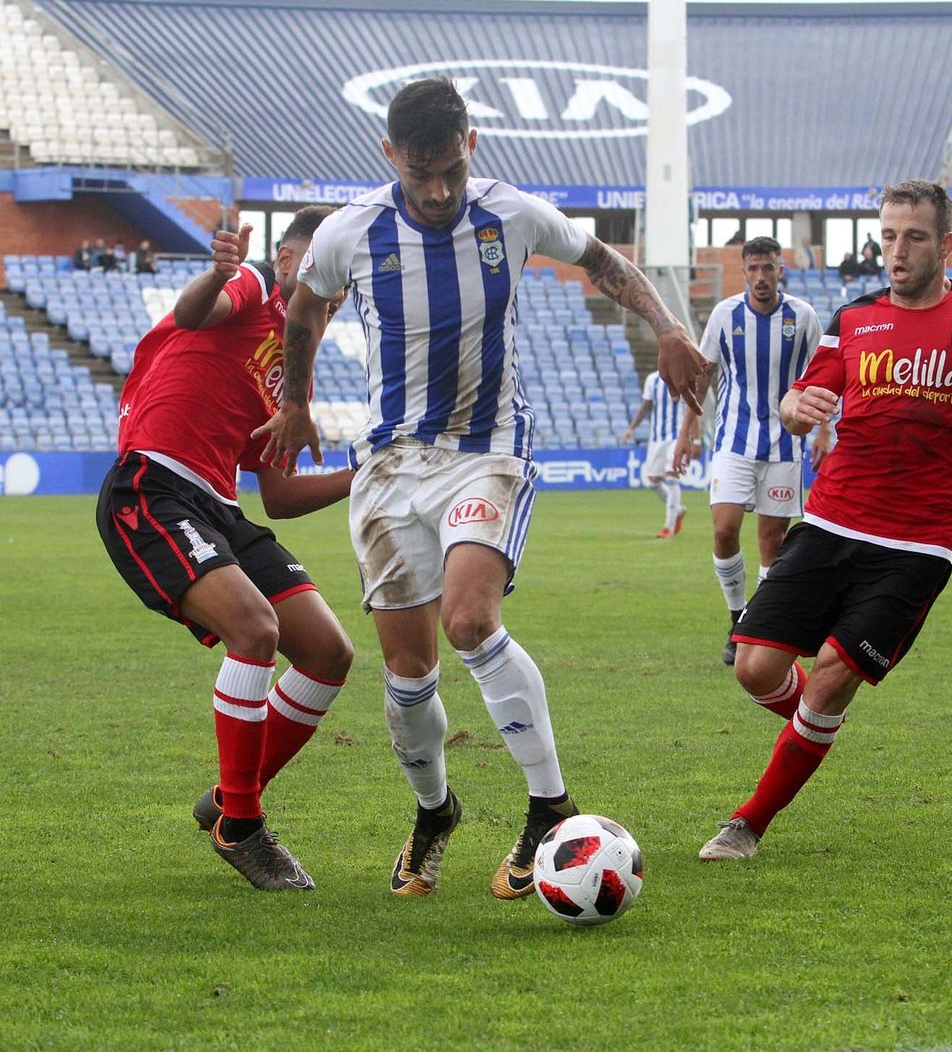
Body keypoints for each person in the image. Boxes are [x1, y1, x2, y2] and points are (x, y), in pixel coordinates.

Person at [254, 77, 709, 900]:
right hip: (389, 466)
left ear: (473, 146)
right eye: (420, 171)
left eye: (451, 171)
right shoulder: (349, 233)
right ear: (389, 155)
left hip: (487, 449)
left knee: (469, 618)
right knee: (407, 674)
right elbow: (303, 312)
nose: (437, 191)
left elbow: (602, 259)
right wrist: (294, 398)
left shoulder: (513, 214)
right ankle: (435, 811)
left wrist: (669, 327)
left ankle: (548, 806)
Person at [695, 180, 952, 863]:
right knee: (755, 668)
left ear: (945, 243)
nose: (896, 250)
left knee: (829, 673)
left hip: (919, 540)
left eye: (912, 236)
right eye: (887, 235)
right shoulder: (854, 318)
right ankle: (816, 727)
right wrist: (797, 409)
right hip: (830, 519)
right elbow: (801, 397)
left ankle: (749, 822)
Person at [98, 207, 354, 891]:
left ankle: (228, 797)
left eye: (345, 285)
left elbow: (277, 493)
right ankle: (242, 823)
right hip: (153, 487)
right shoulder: (249, 285)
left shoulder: (289, 367)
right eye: (323, 270)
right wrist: (215, 273)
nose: (334, 293)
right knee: (255, 629)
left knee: (330, 653)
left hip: (221, 508)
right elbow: (190, 315)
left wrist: (369, 475)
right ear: (290, 262)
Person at [679, 236, 830, 666]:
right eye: (753, 269)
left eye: (769, 268)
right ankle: (735, 615)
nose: (761, 277)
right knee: (724, 529)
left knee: (772, 541)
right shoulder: (725, 315)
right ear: (743, 272)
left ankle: (752, 628)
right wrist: (687, 432)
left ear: (780, 269)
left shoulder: (802, 317)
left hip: (786, 444)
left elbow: (823, 375)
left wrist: (824, 432)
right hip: (733, 440)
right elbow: (702, 376)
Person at [621, 368, 688, 538]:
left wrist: (694, 438)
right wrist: (631, 428)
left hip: (676, 436)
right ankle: (678, 510)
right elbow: (645, 407)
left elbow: (692, 407)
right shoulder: (652, 379)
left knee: (672, 477)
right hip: (657, 438)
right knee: (653, 481)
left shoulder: (682, 375)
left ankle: (669, 527)